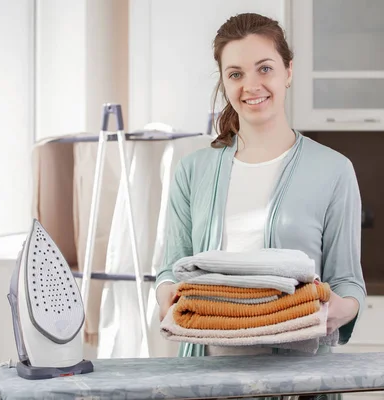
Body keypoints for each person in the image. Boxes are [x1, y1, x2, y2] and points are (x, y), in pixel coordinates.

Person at [156, 11, 366, 362]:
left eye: (264, 68)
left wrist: (335, 311)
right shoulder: (193, 171)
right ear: (224, 82)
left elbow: (347, 282)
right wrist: (168, 296)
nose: (251, 85)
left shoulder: (333, 170)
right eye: (236, 74)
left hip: (298, 378)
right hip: (206, 374)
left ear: (288, 72)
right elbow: (172, 269)